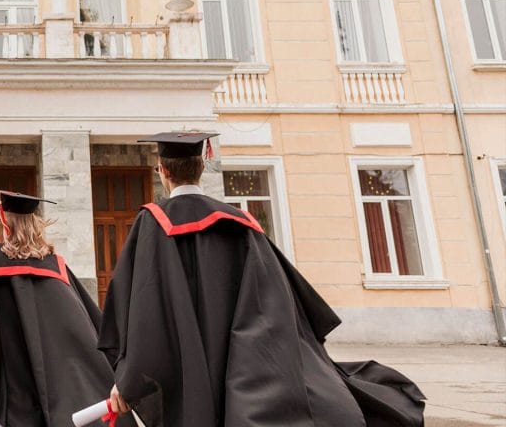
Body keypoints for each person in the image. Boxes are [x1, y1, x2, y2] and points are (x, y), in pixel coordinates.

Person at [99, 132, 426, 427]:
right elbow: (276, 294)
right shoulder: (241, 222)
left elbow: (144, 303)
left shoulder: (153, 222)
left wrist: (129, 380)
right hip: (241, 357)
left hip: (188, 354)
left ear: (163, 171)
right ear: (201, 167)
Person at [0, 188, 137, 427]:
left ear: (7, 225)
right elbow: (90, 328)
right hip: (61, 392)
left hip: (12, 392)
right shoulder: (55, 268)